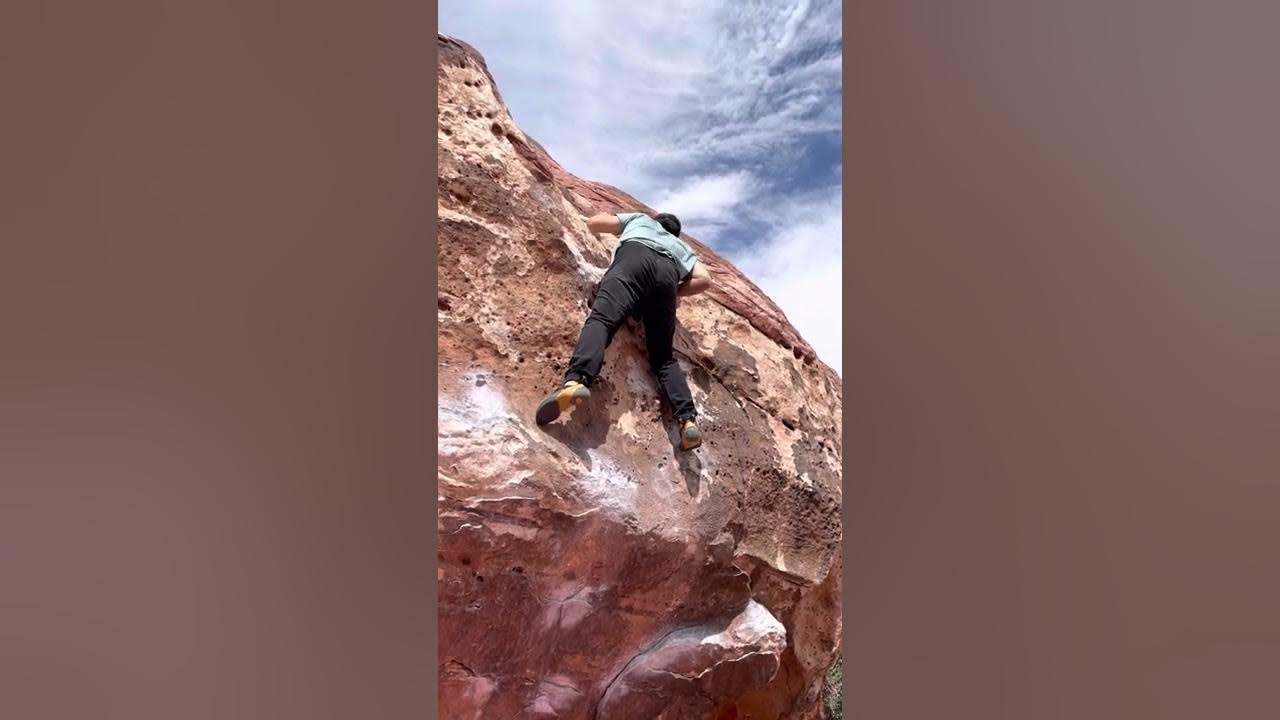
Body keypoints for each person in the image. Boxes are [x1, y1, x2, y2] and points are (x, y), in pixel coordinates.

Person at [535, 211, 712, 450]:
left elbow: (595, 223)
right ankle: (687, 420)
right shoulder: (682, 247)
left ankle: (576, 381)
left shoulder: (640, 220)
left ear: (657, 222)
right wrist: (673, 289)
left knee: (602, 321)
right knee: (663, 358)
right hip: (667, 276)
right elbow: (704, 279)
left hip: (633, 260)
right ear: (675, 234)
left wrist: (606, 226)